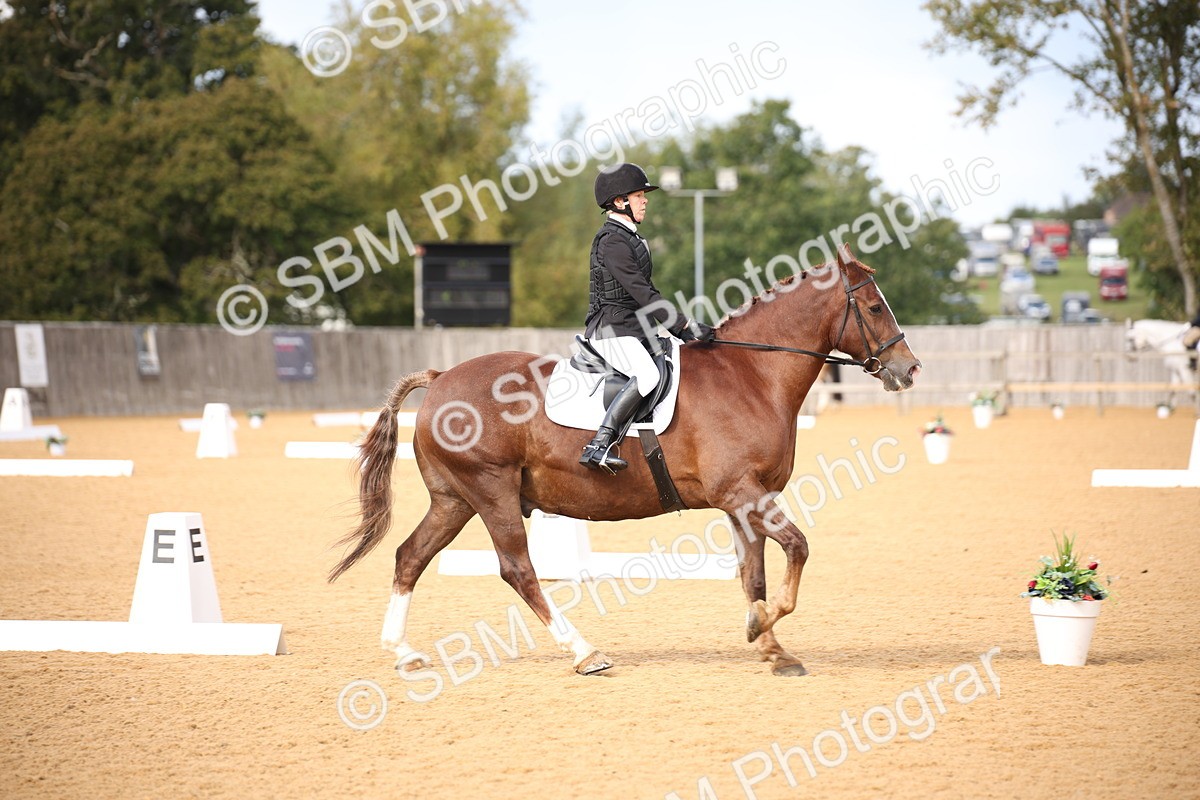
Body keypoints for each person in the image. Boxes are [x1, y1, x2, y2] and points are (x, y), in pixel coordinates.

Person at [578, 163, 715, 473]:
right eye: (639, 195)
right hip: (610, 328)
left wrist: (683, 327)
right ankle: (599, 445)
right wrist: (682, 325)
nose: (645, 200)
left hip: (632, 328)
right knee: (649, 375)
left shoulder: (632, 239)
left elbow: (649, 291)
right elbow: (642, 293)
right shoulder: (612, 242)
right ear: (619, 202)